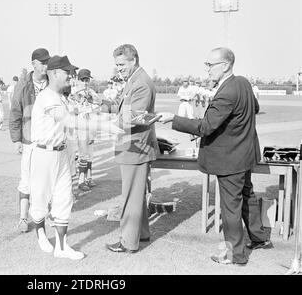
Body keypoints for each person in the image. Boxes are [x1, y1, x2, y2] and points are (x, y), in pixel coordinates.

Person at [157, 47, 272, 266]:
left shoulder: (227, 91)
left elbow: (206, 126)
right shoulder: (243, 83)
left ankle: (235, 254)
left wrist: (173, 119)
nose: (206, 69)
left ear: (226, 65)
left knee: (231, 207)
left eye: (210, 65)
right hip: (245, 154)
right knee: (246, 196)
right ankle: (259, 238)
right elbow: (254, 108)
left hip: (230, 159)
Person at [30, 55, 123, 260]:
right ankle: (40, 233)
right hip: (43, 154)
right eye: (67, 73)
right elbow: (69, 121)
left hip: (62, 152)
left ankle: (62, 247)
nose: (71, 76)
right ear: (54, 73)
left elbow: (80, 115)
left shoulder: (61, 97)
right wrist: (103, 126)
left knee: (64, 198)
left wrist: (107, 118)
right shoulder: (47, 97)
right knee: (40, 199)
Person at [106, 44, 159, 254]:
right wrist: (99, 104)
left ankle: (127, 242)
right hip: (133, 146)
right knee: (137, 193)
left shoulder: (141, 83)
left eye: (121, 65)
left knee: (130, 196)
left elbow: (131, 117)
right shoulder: (133, 80)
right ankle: (142, 233)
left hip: (136, 147)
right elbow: (120, 105)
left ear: (133, 60)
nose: (119, 69)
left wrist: (104, 124)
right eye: (117, 66)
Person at [9, 48, 51, 233]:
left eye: (47, 62)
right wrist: (16, 139)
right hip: (28, 139)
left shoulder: (52, 82)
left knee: (47, 179)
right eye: (42, 63)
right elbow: (15, 112)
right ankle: (23, 218)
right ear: (33, 63)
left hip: (48, 138)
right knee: (26, 179)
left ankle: (46, 215)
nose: (45, 66)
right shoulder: (24, 85)